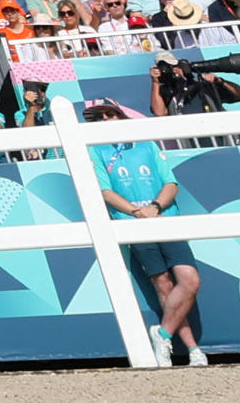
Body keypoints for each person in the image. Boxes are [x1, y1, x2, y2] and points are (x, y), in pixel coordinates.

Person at [83, 99, 207, 367]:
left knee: (190, 280)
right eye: (99, 117)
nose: (106, 120)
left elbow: (171, 183)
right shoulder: (96, 151)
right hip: (131, 223)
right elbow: (105, 192)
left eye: (110, 114)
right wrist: (135, 211)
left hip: (166, 218)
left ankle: (162, 334)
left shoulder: (145, 143)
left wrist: (155, 206)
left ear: (120, 115)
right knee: (163, 285)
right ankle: (193, 350)